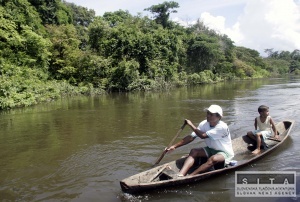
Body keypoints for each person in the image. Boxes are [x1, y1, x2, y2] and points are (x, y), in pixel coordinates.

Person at [167, 105, 234, 176]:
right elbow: (191, 137)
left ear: (219, 117)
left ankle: (191, 176)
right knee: (194, 151)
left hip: (224, 153)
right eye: (208, 113)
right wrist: (174, 146)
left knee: (213, 159)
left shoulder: (222, 127)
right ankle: (181, 174)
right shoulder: (204, 124)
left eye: (211, 114)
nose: (208, 116)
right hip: (211, 149)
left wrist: (191, 125)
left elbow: (203, 136)